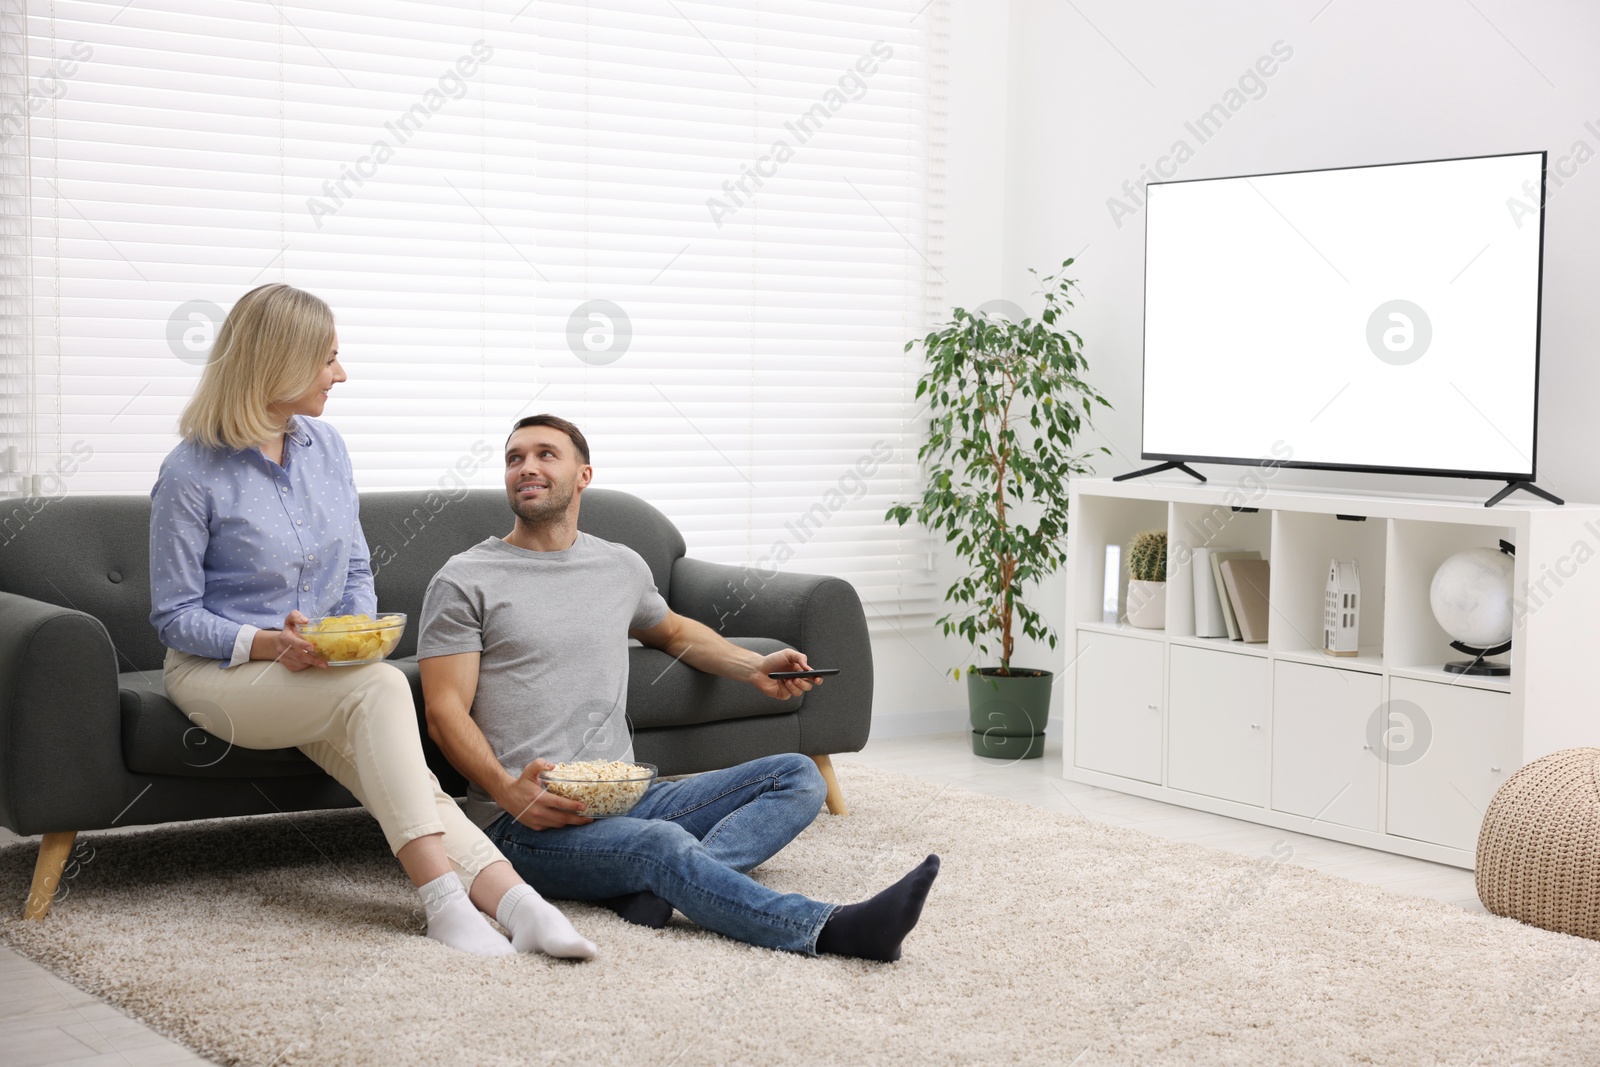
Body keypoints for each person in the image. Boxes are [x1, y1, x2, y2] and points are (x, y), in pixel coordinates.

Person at [150, 283, 595, 959]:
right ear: (279, 362)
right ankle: (444, 903)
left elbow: (355, 566)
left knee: (402, 767)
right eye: (328, 358)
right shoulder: (190, 472)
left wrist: (347, 636)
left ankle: (521, 904)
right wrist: (270, 641)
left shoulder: (326, 448)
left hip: (318, 672)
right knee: (386, 687)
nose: (341, 373)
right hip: (221, 675)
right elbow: (174, 615)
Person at [417, 413, 940, 961]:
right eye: (514, 458)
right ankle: (832, 929)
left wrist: (754, 666)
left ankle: (656, 889)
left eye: (546, 454)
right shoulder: (466, 578)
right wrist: (507, 792)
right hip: (525, 821)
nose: (527, 467)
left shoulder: (618, 565)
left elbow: (670, 630)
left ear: (583, 474)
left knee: (797, 775)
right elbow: (444, 710)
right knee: (660, 846)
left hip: (628, 796)